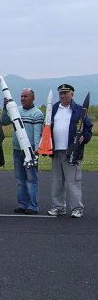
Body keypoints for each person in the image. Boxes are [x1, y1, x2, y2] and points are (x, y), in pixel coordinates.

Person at [47, 84, 93, 218]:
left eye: (65, 93)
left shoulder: (79, 110)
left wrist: (84, 137)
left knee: (73, 182)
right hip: (56, 151)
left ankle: (77, 208)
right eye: (60, 93)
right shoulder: (54, 108)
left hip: (72, 151)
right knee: (57, 182)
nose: (62, 95)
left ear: (71, 94)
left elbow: (88, 127)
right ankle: (58, 207)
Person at [1, 88, 44, 215]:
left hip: (29, 151)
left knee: (31, 179)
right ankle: (23, 204)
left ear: (32, 98)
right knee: (20, 180)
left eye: (26, 96)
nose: (23, 99)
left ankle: (33, 206)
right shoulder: (17, 110)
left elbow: (37, 133)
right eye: (21, 96)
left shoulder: (37, 114)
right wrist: (5, 108)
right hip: (17, 150)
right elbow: (4, 121)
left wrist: (36, 149)